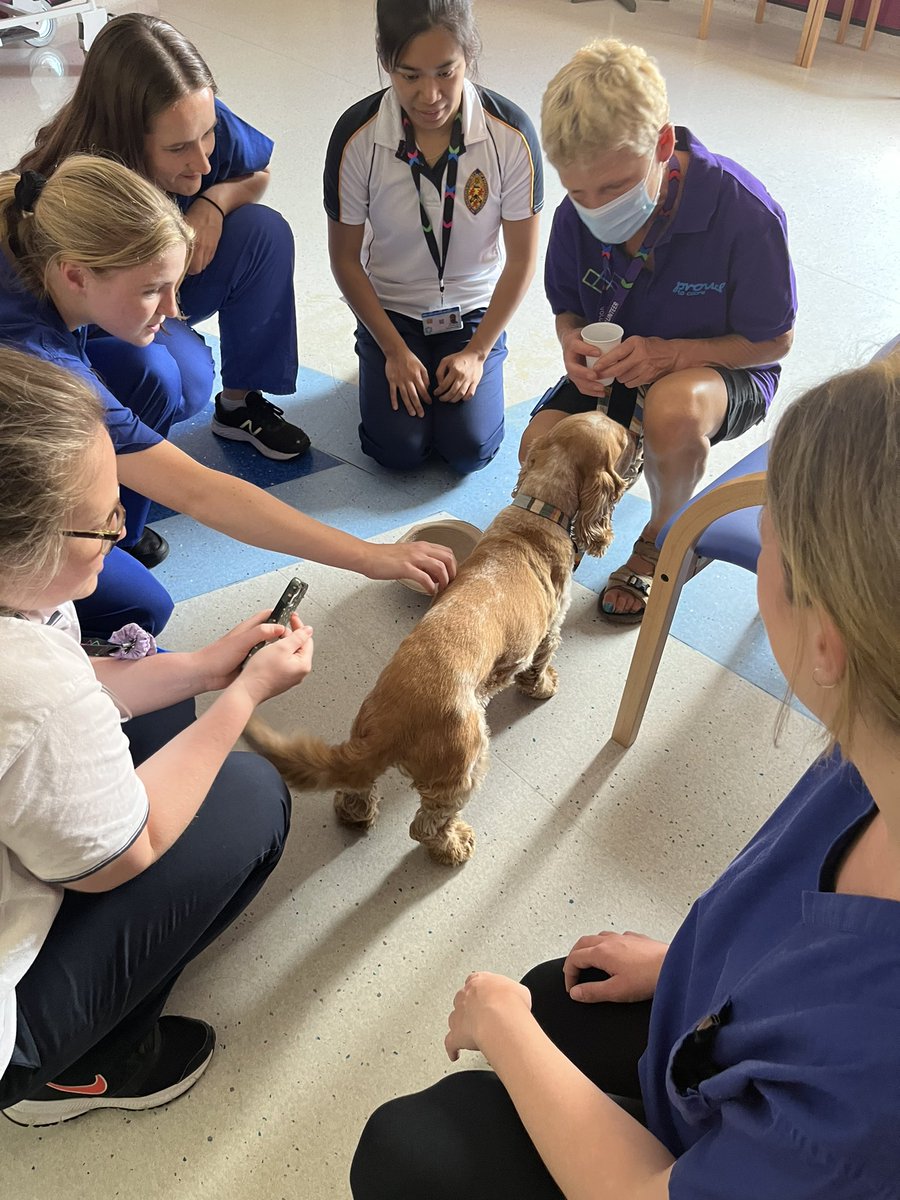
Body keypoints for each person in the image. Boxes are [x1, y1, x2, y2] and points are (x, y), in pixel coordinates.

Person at [349, 352, 900, 1197]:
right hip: (730, 1041)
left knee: (408, 1144)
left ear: (827, 640)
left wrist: (502, 1028)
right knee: (556, 988)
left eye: (771, 549)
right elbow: (802, 944)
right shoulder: (870, 739)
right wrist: (692, 961)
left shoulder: (872, 1073)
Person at [0, 346, 314, 1126]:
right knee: (247, 796)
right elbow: (124, 858)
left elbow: (90, 691)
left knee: (166, 693)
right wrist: (245, 697)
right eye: (101, 519)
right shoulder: (27, 682)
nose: (119, 529)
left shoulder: (23, 603)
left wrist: (208, 669)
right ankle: (79, 1072)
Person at [0, 155, 455, 641]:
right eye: (152, 290)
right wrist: (368, 555)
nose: (173, 310)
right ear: (75, 276)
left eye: (175, 285)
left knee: (143, 368)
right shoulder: (41, 365)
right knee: (141, 607)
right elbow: (201, 492)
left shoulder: (27, 228)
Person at [520, 39, 796, 623]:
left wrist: (674, 355)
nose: (595, 208)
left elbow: (775, 340)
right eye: (577, 190)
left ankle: (663, 537)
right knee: (537, 448)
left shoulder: (743, 213)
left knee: (672, 411)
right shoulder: (577, 217)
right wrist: (569, 341)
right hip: (618, 362)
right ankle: (586, 515)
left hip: (722, 370)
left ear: (662, 145)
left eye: (615, 188)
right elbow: (566, 309)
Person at [16, 10, 309, 558]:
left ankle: (242, 403)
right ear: (127, 137)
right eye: (178, 149)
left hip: (154, 284)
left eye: (209, 136)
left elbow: (257, 170)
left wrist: (214, 204)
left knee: (263, 231)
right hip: (93, 320)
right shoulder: (77, 180)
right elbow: (55, 326)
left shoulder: (189, 115)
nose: (202, 160)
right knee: (171, 376)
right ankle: (114, 514)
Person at [324, 0, 542, 474]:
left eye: (447, 73)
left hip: (474, 310)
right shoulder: (355, 137)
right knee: (398, 449)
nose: (430, 95)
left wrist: (479, 352)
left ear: (468, 55)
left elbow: (523, 260)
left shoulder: (512, 134)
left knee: (467, 449)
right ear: (387, 64)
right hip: (391, 310)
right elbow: (344, 259)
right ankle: (381, 357)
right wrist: (393, 350)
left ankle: (465, 366)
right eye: (409, 76)